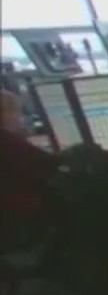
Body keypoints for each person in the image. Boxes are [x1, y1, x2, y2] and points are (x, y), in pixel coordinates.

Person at [0, 89, 58, 245]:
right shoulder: (8, 142)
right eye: (17, 112)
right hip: (20, 227)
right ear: (7, 113)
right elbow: (51, 167)